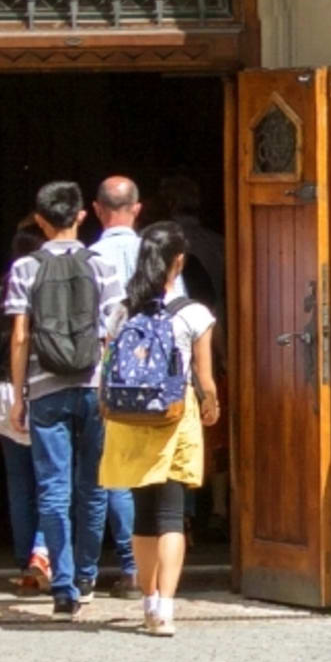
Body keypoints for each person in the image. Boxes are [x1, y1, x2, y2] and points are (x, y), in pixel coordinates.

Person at [96, 222, 221, 636]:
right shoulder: (193, 313)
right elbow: (204, 377)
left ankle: (147, 599)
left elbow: (106, 368)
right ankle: (164, 608)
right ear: (178, 262)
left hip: (129, 421)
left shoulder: (121, 310)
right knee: (171, 515)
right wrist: (211, 406)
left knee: (143, 516)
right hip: (172, 416)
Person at [13, 178, 108, 617]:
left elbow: (19, 337)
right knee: (93, 486)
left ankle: (64, 589)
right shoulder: (101, 263)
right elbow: (112, 331)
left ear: (39, 220)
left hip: (46, 388)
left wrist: (19, 396)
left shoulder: (25, 269)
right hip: (93, 387)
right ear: (82, 216)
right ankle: (88, 576)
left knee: (53, 491)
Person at [82, 170, 145, 592]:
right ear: (137, 210)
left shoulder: (88, 258)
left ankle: (99, 571)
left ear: (97, 211)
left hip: (106, 374)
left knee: (106, 473)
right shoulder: (155, 254)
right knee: (147, 472)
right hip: (155, 377)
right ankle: (143, 566)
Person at [0, 214, 53, 586]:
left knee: (19, 481)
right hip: (40, 386)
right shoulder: (48, 290)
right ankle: (42, 556)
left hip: (1, 392)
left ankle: (23, 559)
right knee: (52, 477)